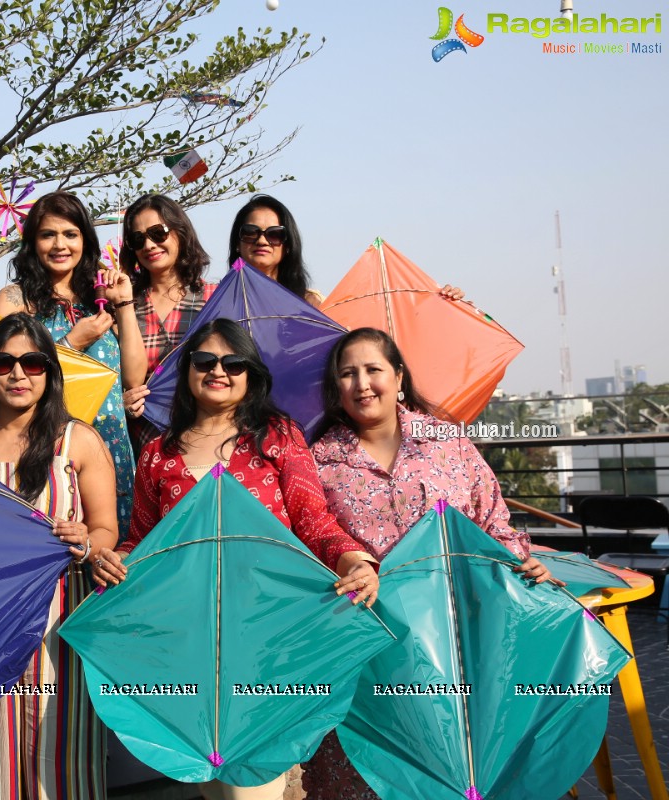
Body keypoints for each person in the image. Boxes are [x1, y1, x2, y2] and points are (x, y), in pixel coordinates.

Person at [93, 318, 380, 800]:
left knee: (251, 778)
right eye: (205, 361)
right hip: (189, 638)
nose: (218, 371)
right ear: (187, 371)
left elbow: (313, 519)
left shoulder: (276, 437)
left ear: (251, 373)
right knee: (213, 774)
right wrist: (114, 561)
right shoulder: (158, 454)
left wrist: (354, 560)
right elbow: (143, 542)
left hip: (265, 632)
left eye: (234, 362)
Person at [303, 326, 558, 800]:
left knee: (451, 765)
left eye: (373, 369)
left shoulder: (447, 442)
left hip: (452, 640)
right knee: (366, 774)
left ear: (398, 376)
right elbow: (312, 535)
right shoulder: (319, 460)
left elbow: (491, 522)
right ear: (335, 389)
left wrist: (523, 566)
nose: (362, 383)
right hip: (368, 644)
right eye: (347, 374)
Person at [0, 313, 117, 799]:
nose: (18, 374)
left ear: (50, 371)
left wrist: (85, 539)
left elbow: (107, 531)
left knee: (64, 766)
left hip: (60, 631)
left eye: (33, 362)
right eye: (4, 363)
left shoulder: (77, 441)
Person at [0, 191, 145, 537]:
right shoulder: (15, 300)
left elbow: (133, 377)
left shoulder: (100, 297)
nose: (60, 245)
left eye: (70, 234)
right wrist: (73, 343)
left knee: (109, 555)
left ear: (84, 240)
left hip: (110, 443)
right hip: (46, 449)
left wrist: (124, 304)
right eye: (48, 235)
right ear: (32, 243)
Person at [226, 195, 465, 310]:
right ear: (238, 242)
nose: (262, 240)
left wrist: (441, 303)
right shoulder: (220, 303)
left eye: (275, 233)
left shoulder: (310, 303)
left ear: (288, 245)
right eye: (250, 232)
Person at [117, 193, 217, 455]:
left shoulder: (214, 299)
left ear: (180, 233)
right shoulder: (125, 306)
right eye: (138, 239)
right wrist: (123, 403)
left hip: (208, 443)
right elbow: (122, 383)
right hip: (146, 447)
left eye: (158, 233)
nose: (149, 245)